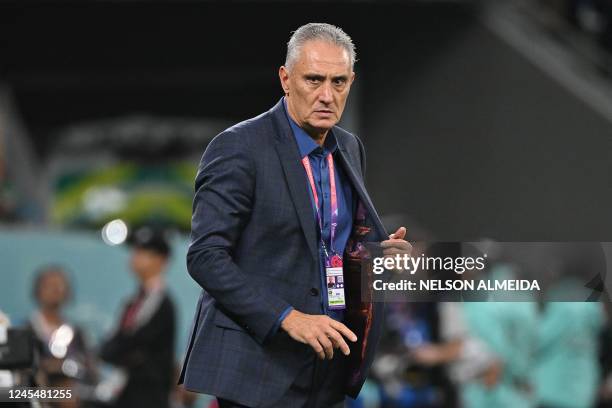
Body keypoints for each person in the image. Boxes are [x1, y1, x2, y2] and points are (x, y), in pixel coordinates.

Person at [178, 23, 411, 408]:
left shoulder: (349, 148)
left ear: (351, 82)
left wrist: (377, 257)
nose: (326, 95)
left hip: (329, 364)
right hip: (259, 366)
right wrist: (287, 317)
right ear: (285, 79)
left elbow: (333, 242)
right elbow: (205, 257)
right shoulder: (239, 147)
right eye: (314, 80)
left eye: (338, 82)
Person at [100, 228, 176, 408]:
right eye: (135, 250)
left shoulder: (159, 301)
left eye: (144, 252)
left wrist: (111, 350)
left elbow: (132, 340)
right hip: (130, 391)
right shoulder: (134, 301)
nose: (135, 256)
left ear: (161, 260)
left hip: (148, 396)